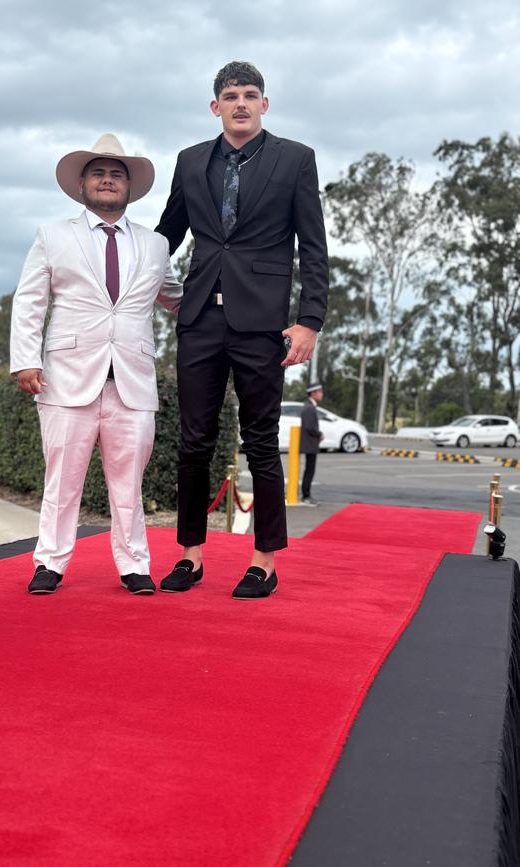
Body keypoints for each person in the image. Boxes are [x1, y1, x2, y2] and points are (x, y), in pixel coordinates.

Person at [155, 61, 329, 599]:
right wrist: (140, 280)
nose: (241, 103)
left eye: (250, 94)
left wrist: (309, 321)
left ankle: (264, 560)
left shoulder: (295, 159)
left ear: (264, 104)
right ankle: (190, 555)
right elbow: (166, 234)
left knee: (260, 443)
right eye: (230, 95)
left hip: (262, 324)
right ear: (215, 107)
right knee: (193, 443)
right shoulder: (189, 162)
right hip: (201, 317)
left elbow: (313, 247)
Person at [10, 134, 182, 596]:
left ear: (130, 187)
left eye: (117, 174)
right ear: (82, 183)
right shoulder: (53, 235)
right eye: (100, 173)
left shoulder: (156, 245)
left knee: (129, 486)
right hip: (66, 379)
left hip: (133, 381)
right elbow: (30, 300)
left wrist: (234, 309)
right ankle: (50, 562)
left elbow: (177, 299)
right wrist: (25, 359)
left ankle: (134, 566)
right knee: (61, 482)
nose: (108, 181)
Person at [299, 383, 324, 506]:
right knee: (309, 470)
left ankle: (306, 495)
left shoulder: (310, 406)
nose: (321, 394)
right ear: (313, 393)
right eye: (320, 392)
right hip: (310, 444)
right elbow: (310, 427)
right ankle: (306, 496)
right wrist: (319, 434)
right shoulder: (309, 407)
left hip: (310, 443)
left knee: (309, 470)